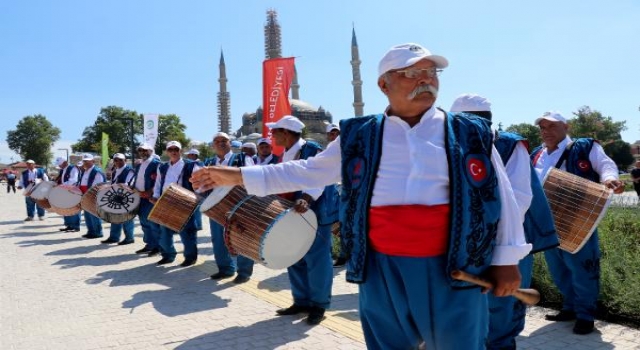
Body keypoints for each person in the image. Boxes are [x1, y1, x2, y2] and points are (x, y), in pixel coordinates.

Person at [191, 43, 530, 349]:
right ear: (384, 84)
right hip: (380, 267)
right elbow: (308, 172)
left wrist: (507, 259)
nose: (425, 80)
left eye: (431, 72)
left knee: (459, 344)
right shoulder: (361, 134)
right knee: (388, 343)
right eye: (412, 73)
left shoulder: (469, 132)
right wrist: (235, 175)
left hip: (455, 265)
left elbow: (500, 197)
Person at [451, 93, 558, 349]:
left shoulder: (509, 144)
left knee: (502, 311)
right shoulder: (449, 144)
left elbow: (518, 199)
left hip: (507, 240)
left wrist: (492, 246)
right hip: (465, 243)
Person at [531, 111, 624, 335]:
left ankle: (585, 315)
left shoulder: (583, 147)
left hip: (578, 220)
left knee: (582, 268)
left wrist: (610, 178)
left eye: (552, 126)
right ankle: (570, 307)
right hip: (547, 222)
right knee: (558, 269)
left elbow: (605, 165)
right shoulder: (536, 154)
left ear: (567, 126)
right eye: (543, 127)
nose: (546, 131)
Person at [204, 132, 255, 283]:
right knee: (218, 239)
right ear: (213, 145)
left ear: (230, 143)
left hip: (238, 205)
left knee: (241, 238)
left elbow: (253, 179)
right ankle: (225, 269)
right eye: (217, 141)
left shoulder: (242, 158)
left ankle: (244, 272)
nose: (220, 143)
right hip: (216, 206)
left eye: (224, 140)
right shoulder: (208, 162)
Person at [151, 141, 202, 266]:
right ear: (167, 151)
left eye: (176, 149)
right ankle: (168, 255)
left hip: (184, 202)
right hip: (165, 201)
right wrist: (156, 197)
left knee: (187, 231)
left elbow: (199, 184)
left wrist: (195, 198)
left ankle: (190, 257)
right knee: (164, 231)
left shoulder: (191, 165)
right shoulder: (162, 167)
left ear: (181, 150)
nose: (173, 151)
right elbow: (158, 183)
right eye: (170, 149)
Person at [131, 144, 162, 256]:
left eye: (145, 150)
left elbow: (160, 180)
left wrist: (150, 191)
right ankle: (149, 244)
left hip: (150, 197)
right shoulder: (139, 165)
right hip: (139, 197)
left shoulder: (156, 163)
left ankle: (158, 246)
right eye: (140, 150)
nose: (142, 152)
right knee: (144, 222)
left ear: (150, 150)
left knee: (153, 222)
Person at [325, 123, 347, 268]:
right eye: (331, 134)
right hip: (332, 190)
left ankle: (344, 255)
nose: (334, 136)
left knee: (346, 222)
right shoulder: (326, 151)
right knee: (334, 223)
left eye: (336, 133)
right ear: (327, 136)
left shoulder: (347, 148)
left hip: (346, 189)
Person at [101, 153, 136, 245]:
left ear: (125, 160)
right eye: (116, 160)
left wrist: (114, 187)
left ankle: (129, 238)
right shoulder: (115, 171)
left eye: (120, 160)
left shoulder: (130, 170)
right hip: (116, 196)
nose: (118, 162)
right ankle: (114, 237)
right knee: (114, 217)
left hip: (126, 197)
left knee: (127, 218)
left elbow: (128, 183)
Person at [77, 154, 106, 238]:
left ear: (93, 161)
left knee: (94, 215)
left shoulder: (97, 171)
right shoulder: (85, 171)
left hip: (93, 196)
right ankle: (91, 231)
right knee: (87, 215)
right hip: (85, 196)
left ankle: (98, 232)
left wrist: (91, 195)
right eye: (84, 161)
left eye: (87, 161)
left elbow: (99, 185)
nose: (85, 163)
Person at [55, 157, 81, 232]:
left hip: (73, 191)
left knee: (74, 208)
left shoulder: (73, 168)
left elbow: (74, 180)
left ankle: (76, 226)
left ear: (65, 162)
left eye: (60, 164)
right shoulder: (63, 170)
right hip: (66, 191)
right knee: (66, 208)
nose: (59, 166)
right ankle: (69, 225)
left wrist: (62, 185)